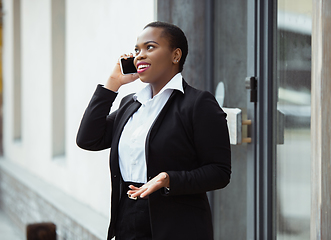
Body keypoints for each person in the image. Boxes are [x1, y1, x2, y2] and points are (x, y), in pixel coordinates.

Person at [76, 21, 231, 240]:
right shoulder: (130, 104)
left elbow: (219, 172)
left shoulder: (198, 104)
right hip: (127, 219)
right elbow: (88, 139)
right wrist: (112, 85)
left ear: (175, 55)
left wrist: (169, 179)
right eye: (137, 50)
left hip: (177, 225)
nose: (139, 55)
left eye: (150, 47)